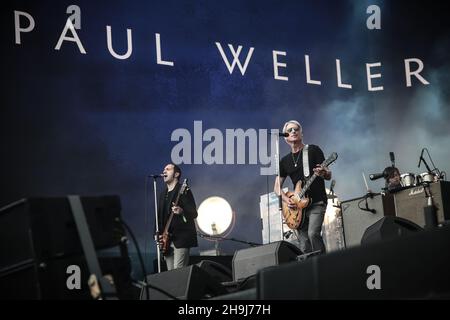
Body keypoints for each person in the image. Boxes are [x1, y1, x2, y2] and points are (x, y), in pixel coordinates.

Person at [274, 120, 332, 254]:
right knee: (304, 244)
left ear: (301, 133)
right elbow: (277, 187)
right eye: (290, 130)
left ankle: (324, 264)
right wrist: (286, 199)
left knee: (313, 234)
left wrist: (323, 173)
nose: (293, 131)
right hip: (297, 208)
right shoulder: (284, 161)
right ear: (285, 137)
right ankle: (310, 270)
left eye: (296, 129)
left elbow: (328, 175)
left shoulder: (313, 150)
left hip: (316, 201)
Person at [157, 163, 198, 270]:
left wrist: (182, 211)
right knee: (171, 275)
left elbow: (194, 213)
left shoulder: (183, 190)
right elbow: (159, 217)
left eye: (168, 169)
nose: (164, 171)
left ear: (176, 174)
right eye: (164, 169)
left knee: (178, 272)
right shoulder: (162, 194)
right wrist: (156, 234)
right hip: (167, 240)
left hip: (181, 238)